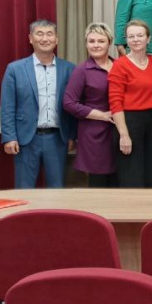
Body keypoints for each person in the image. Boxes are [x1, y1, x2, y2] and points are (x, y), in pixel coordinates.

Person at [0, 20, 76, 188]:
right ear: (30, 38)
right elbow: (7, 106)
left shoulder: (69, 69)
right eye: (40, 34)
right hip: (26, 139)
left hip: (57, 139)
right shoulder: (15, 69)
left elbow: (73, 106)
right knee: (24, 188)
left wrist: (72, 135)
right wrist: (9, 137)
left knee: (57, 189)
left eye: (49, 34)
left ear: (56, 39)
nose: (45, 38)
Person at [108, 20, 152, 188]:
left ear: (148, 38)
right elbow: (115, 102)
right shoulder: (120, 65)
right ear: (126, 40)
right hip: (129, 123)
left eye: (140, 35)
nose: (136, 39)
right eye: (131, 36)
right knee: (131, 177)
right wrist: (124, 135)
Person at [63, 23, 117, 187]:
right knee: (99, 183)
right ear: (86, 44)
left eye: (101, 41)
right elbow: (69, 103)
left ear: (109, 43)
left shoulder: (120, 66)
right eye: (91, 41)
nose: (96, 45)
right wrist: (102, 115)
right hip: (94, 133)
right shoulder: (82, 70)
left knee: (120, 183)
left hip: (119, 131)